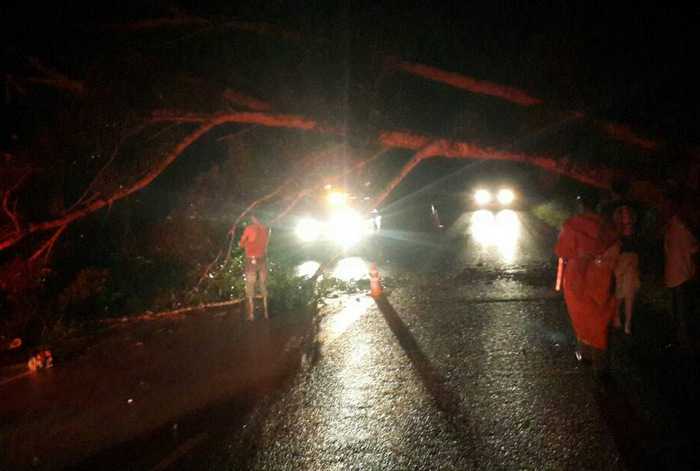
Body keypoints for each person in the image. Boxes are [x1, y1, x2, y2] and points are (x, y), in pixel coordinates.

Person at [555, 194, 620, 377]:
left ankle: (586, 351)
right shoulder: (604, 226)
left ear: (580, 205)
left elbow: (562, 250)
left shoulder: (571, 224)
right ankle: (600, 358)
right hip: (600, 273)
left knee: (580, 312)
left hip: (577, 274)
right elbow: (614, 244)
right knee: (599, 313)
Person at [603, 179, 641, 335]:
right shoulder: (636, 207)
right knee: (630, 288)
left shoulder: (608, 208)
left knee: (618, 287)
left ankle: (617, 317)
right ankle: (628, 322)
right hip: (633, 253)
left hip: (617, 252)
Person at [664, 199, 698, 350]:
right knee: (684, 311)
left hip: (673, 273)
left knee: (678, 311)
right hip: (683, 274)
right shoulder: (683, 227)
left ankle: (678, 340)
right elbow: (693, 248)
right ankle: (685, 343)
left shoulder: (670, 226)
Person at [238, 215, 270, 321]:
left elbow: (241, 244)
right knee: (263, 285)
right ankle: (266, 313)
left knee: (250, 285)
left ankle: (251, 314)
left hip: (251, 260)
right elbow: (266, 246)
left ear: (253, 218)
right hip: (262, 260)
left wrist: (243, 243)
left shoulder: (249, 229)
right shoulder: (266, 229)